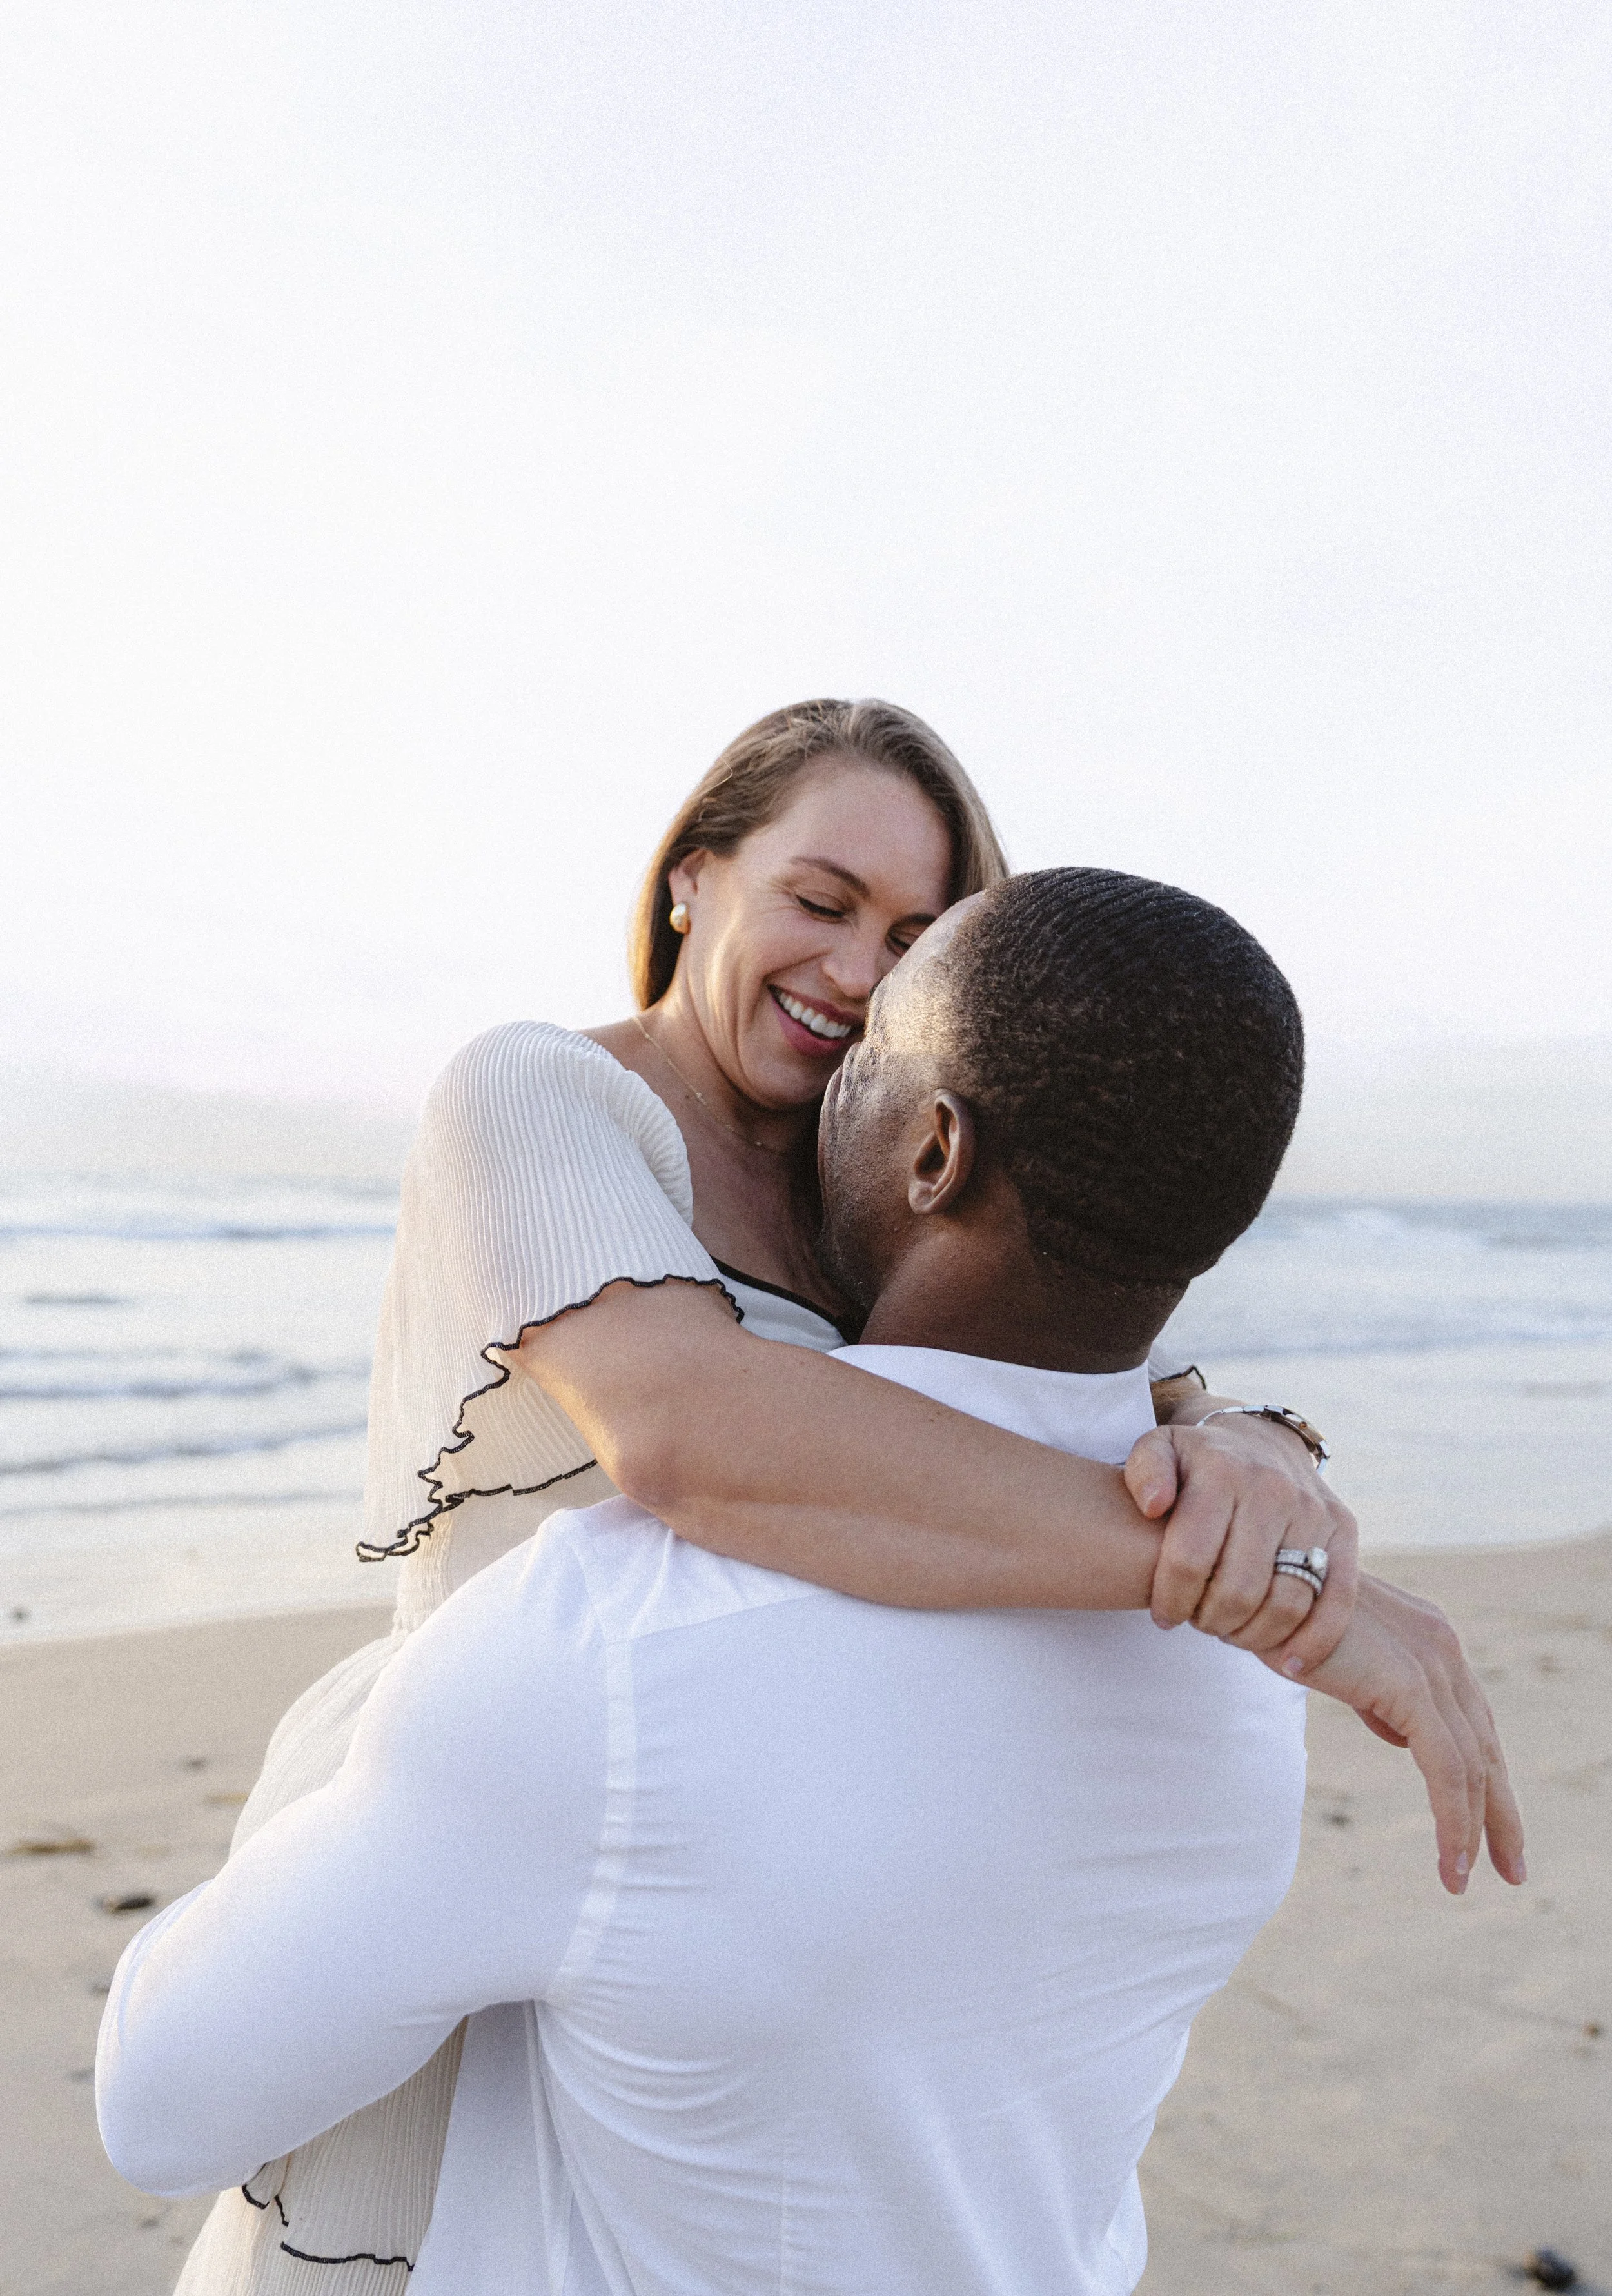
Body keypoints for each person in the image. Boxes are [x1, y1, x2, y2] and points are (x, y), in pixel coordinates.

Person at [152, 700, 1433, 2291]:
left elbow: (1069, 1356)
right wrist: (1250, 1583)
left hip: (721, 1855)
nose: (853, 969)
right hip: (476, 1794)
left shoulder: (866, 1179)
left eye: (909, 936)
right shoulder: (544, 1102)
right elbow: (687, 1429)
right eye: (819, 902)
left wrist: (1254, 1442)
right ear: (693, 875)